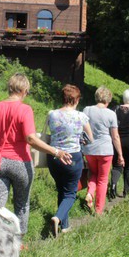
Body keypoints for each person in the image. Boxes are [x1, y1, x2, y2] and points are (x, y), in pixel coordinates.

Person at [0, 74, 71, 236]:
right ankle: (18, 240)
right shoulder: (25, 109)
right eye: (27, 92)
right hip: (20, 162)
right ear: (23, 90)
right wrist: (55, 151)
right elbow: (30, 138)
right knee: (21, 204)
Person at [46, 84, 93, 236]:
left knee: (61, 189)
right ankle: (58, 217)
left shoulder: (52, 114)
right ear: (76, 99)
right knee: (71, 192)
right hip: (73, 157)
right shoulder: (81, 117)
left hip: (54, 156)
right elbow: (90, 138)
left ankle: (64, 226)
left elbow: (46, 134)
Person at [82, 87, 123, 214]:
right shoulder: (111, 114)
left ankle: (90, 193)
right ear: (108, 100)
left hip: (89, 149)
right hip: (105, 150)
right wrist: (120, 155)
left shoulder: (86, 110)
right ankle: (99, 209)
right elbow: (115, 136)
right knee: (103, 179)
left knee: (93, 173)